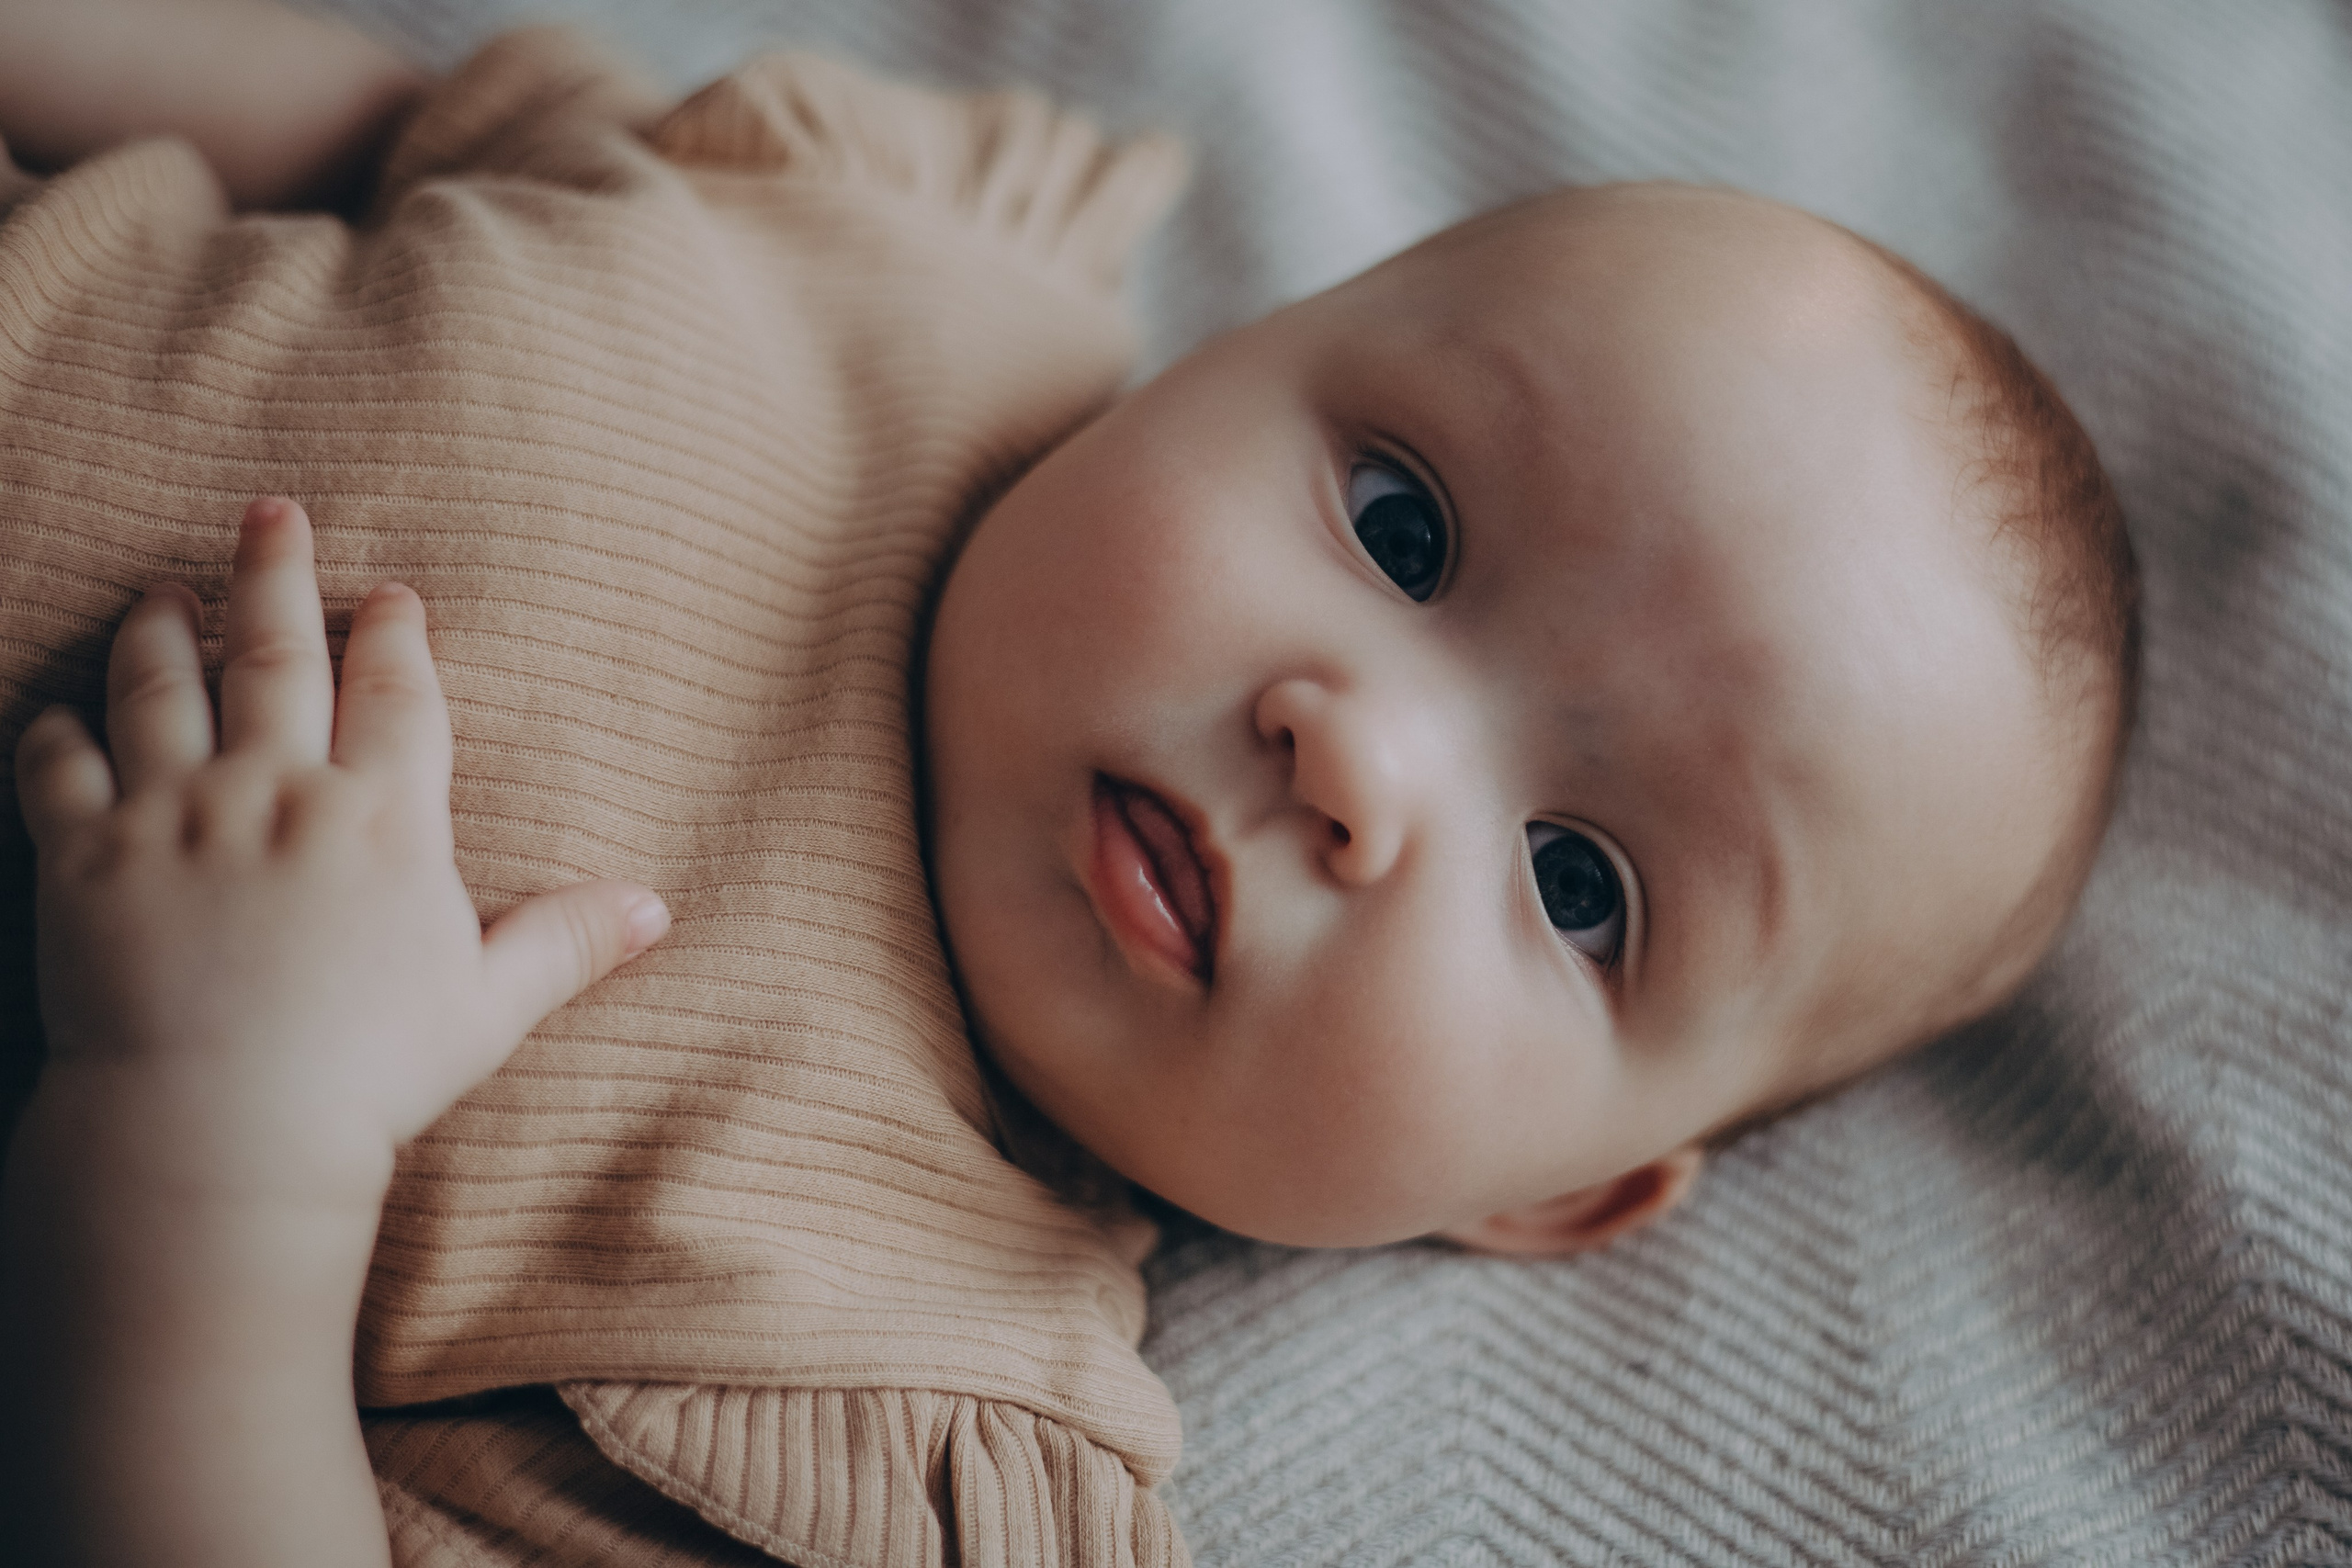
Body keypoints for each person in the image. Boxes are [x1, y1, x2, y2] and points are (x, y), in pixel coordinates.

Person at [0, 1, 2138, 1562]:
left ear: (1543, 1192)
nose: (1357, 752)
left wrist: (219, 1142)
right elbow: (386, 121)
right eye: (1401, 528)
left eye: (1576, 882)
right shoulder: (909, 251)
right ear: (1229, 344)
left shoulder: (848, 1368)